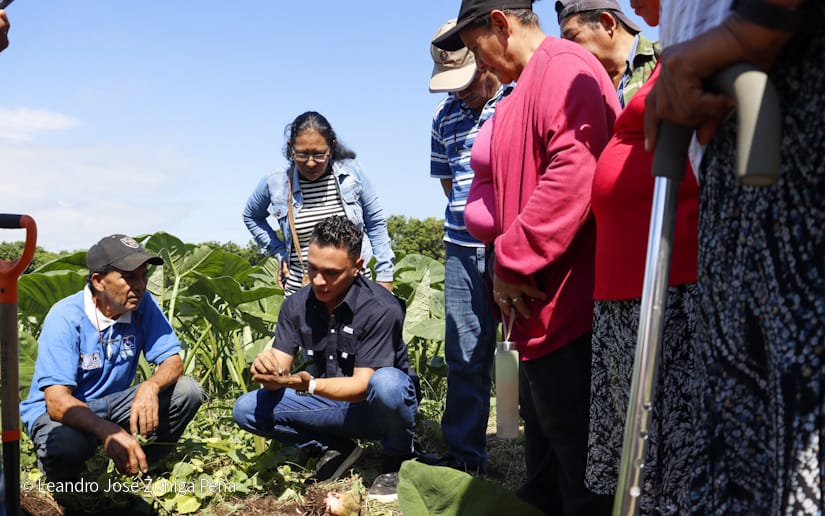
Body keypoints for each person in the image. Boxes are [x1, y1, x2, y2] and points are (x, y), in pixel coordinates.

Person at [434, 1, 620, 514]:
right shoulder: (520, 90)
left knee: (583, 468)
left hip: (567, 307)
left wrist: (511, 259)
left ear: (500, 23)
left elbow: (575, 173)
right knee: (545, 464)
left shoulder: (564, 68)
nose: (481, 64)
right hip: (535, 312)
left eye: (477, 49)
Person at [643, 0, 825, 513]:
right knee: (744, 438)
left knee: (795, 433)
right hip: (734, 112)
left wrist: (751, 30)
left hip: (785, 98)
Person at [563, 0, 699, 512]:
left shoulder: (682, 51)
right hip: (625, 285)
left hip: (673, 277)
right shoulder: (677, 52)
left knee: (672, 440)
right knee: (636, 442)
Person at [233, 216, 419, 503]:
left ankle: (397, 458)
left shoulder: (382, 307)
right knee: (246, 408)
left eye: (331, 273)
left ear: (358, 268)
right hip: (331, 404)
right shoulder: (296, 305)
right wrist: (267, 371)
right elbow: (279, 369)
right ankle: (336, 447)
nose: (318, 281)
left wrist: (306, 385)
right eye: (312, 268)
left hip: (377, 407)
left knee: (388, 384)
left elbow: (362, 386)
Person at [19, 235, 204, 482]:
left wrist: (150, 386)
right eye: (129, 278)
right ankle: (64, 485)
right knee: (66, 444)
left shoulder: (141, 304)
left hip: (112, 404)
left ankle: (145, 465)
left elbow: (172, 360)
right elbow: (56, 401)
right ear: (98, 281)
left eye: (143, 276)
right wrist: (108, 430)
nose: (140, 286)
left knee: (187, 390)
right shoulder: (66, 316)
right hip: (66, 410)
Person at [428, 18, 507, 474]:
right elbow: (448, 182)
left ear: (486, 61)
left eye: (467, 82)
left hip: (514, 245)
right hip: (460, 247)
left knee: (530, 352)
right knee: (464, 351)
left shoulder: (516, 101)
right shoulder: (445, 118)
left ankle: (545, 451)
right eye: (451, 87)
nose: (460, 94)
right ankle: (465, 456)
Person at [243, 111, 395, 296]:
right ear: (291, 148)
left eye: (318, 154)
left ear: (331, 147)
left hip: (355, 290)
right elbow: (251, 216)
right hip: (303, 292)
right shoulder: (277, 182)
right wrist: (280, 252)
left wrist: (385, 275)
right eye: (302, 154)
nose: (311, 163)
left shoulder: (352, 174)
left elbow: (376, 223)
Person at [555, 0, 658, 107]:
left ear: (607, 22)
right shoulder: (583, 88)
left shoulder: (663, 60)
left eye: (572, 37)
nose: (569, 50)